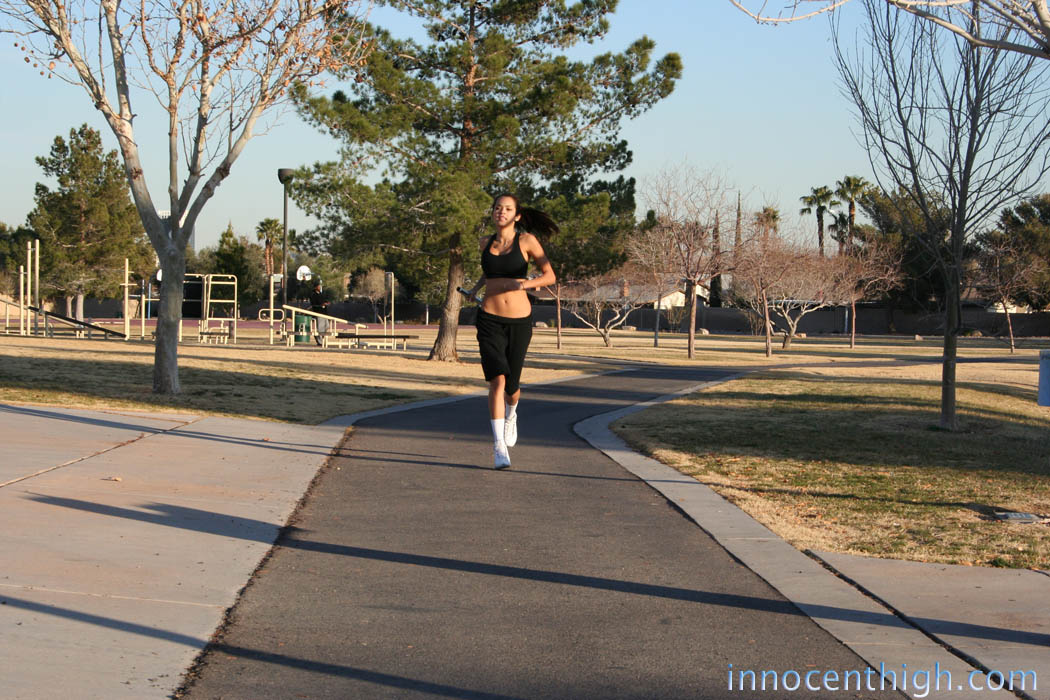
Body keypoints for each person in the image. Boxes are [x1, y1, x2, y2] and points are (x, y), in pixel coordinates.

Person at [465, 193, 557, 469]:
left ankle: (512, 413)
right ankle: (498, 447)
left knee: (512, 387)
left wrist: (524, 285)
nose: (500, 212)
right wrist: (474, 289)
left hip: (519, 319)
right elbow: (490, 272)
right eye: (497, 208)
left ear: (516, 215)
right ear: (492, 213)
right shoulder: (485, 243)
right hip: (489, 318)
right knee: (497, 380)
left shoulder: (526, 241)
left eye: (507, 209)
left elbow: (549, 275)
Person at [309, 279, 329, 346]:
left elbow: (324, 300)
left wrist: (326, 303)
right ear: (316, 287)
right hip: (318, 312)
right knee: (320, 328)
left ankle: (321, 338)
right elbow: (314, 304)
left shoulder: (321, 293)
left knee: (327, 326)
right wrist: (321, 305)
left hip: (324, 313)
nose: (320, 287)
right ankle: (319, 341)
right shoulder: (313, 294)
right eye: (318, 286)